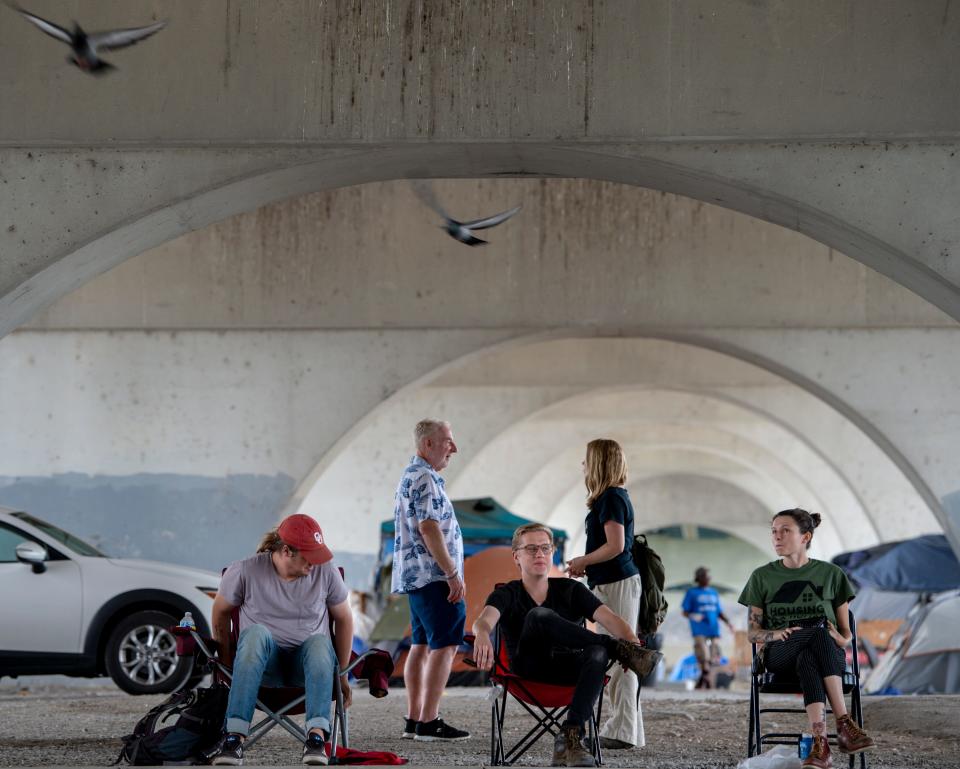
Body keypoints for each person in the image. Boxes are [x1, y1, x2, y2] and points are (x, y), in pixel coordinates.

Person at [473, 523, 661, 768]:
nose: (539, 554)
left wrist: (633, 643)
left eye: (545, 548)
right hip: (527, 669)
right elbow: (483, 621)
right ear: (516, 556)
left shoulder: (571, 589)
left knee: (597, 652)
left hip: (568, 669)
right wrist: (481, 635)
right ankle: (619, 650)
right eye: (531, 549)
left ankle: (570, 738)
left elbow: (612, 620)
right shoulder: (508, 593)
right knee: (539, 615)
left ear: (553, 553)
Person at [209, 514, 353, 767]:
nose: (315, 563)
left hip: (309, 667)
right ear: (286, 551)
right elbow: (220, 612)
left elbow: (344, 619)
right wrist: (226, 667)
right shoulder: (245, 570)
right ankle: (233, 738)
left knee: (319, 642)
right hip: (262, 667)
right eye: (309, 556)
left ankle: (316, 739)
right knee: (255, 634)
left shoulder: (325, 571)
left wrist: (341, 675)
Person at [739, 508, 876, 769]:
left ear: (805, 537)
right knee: (816, 635)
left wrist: (842, 638)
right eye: (774, 532)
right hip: (779, 652)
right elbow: (753, 634)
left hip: (825, 653)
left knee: (810, 654)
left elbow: (846, 633)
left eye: (785, 531)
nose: (777, 537)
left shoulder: (831, 574)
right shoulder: (762, 576)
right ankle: (845, 723)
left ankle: (820, 745)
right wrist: (776, 633)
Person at [391, 419, 470, 742]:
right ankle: (429, 720)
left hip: (417, 576)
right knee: (446, 645)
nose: (454, 447)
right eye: (447, 441)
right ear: (427, 445)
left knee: (420, 646)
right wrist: (451, 573)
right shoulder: (424, 477)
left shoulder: (412, 474)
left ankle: (414, 719)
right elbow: (429, 527)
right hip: (434, 575)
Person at [565, 438, 644, 751]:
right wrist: (587, 565)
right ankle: (627, 728)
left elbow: (616, 546)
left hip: (618, 582)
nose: (583, 466)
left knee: (624, 655)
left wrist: (583, 560)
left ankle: (624, 730)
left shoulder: (611, 497)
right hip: (611, 580)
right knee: (620, 654)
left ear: (598, 463)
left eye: (586, 460)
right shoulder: (610, 498)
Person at [682, 566, 734, 689]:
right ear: (698, 578)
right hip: (699, 629)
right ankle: (707, 680)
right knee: (703, 655)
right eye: (705, 576)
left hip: (713, 629)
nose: (708, 578)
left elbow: (719, 612)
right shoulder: (692, 592)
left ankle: (703, 680)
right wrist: (693, 615)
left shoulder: (714, 593)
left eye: (709, 576)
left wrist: (728, 623)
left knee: (711, 658)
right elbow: (684, 611)